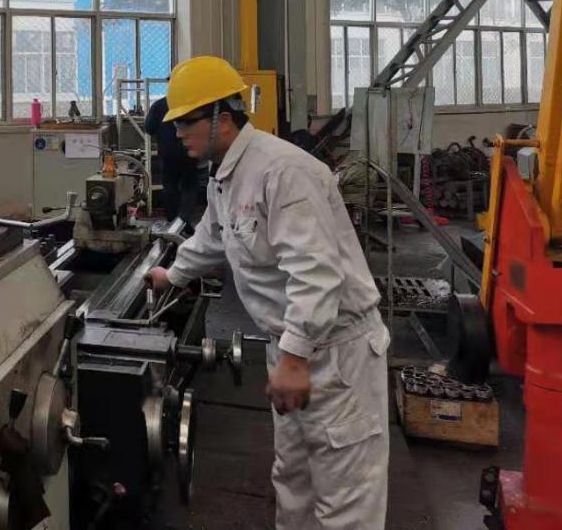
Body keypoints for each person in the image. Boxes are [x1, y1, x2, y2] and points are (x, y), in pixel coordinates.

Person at [145, 56, 387, 530]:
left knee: (344, 498)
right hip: (291, 349)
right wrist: (171, 276)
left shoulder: (283, 171)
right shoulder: (225, 175)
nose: (178, 134)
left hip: (334, 354)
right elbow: (214, 236)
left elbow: (316, 273)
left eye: (186, 121)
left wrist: (295, 358)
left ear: (223, 116)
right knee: (294, 483)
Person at [143, 95, 206, 224]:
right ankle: (184, 219)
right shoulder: (192, 102)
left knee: (169, 185)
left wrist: (162, 131)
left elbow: (149, 128)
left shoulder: (159, 105)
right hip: (190, 151)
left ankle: (172, 220)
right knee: (190, 185)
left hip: (168, 153)